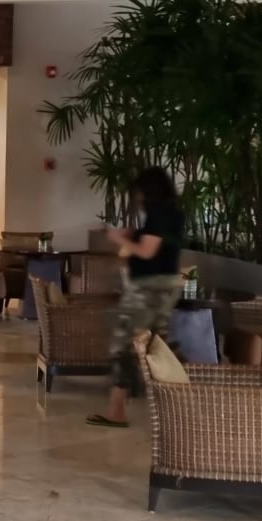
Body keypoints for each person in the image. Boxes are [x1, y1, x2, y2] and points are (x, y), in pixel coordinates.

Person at [86, 166, 184, 428]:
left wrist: (119, 238)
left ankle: (117, 411)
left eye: (140, 192)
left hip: (149, 289)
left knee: (124, 344)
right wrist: (135, 235)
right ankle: (178, 406)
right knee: (156, 346)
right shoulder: (171, 213)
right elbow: (157, 246)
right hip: (162, 287)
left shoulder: (159, 215)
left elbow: (147, 252)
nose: (137, 198)